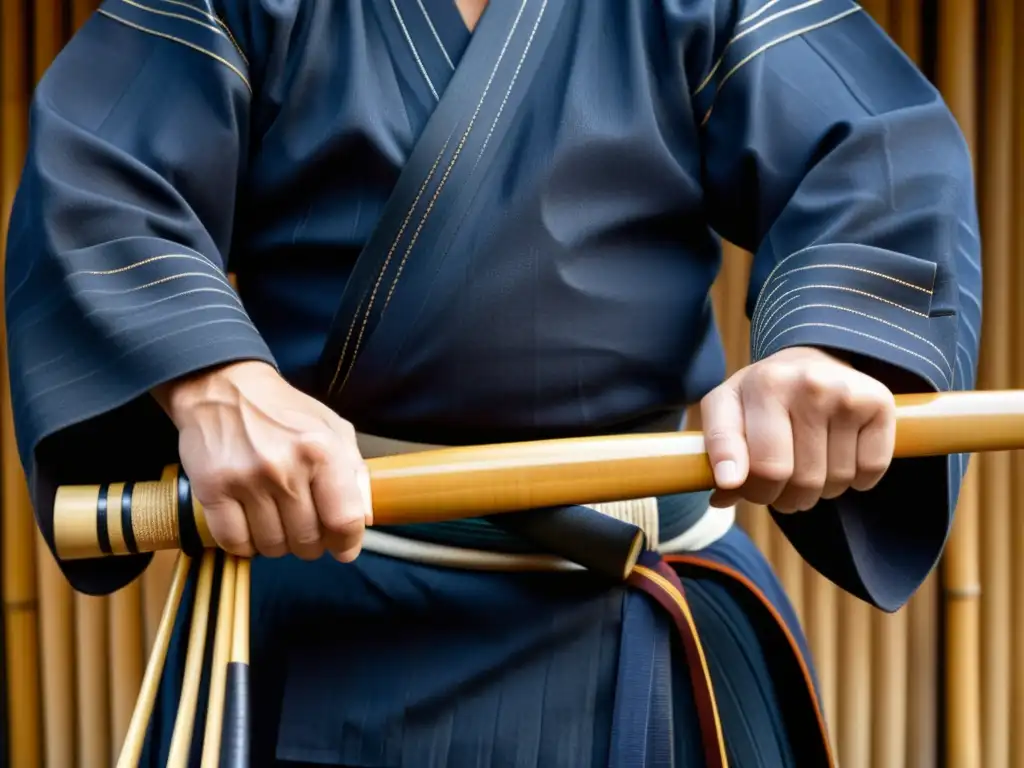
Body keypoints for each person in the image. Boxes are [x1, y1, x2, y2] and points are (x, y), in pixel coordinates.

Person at [5, 0, 981, 765]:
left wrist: (828, 350)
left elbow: (873, 155)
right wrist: (208, 378)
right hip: (337, 616)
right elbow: (99, 180)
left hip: (643, 615)